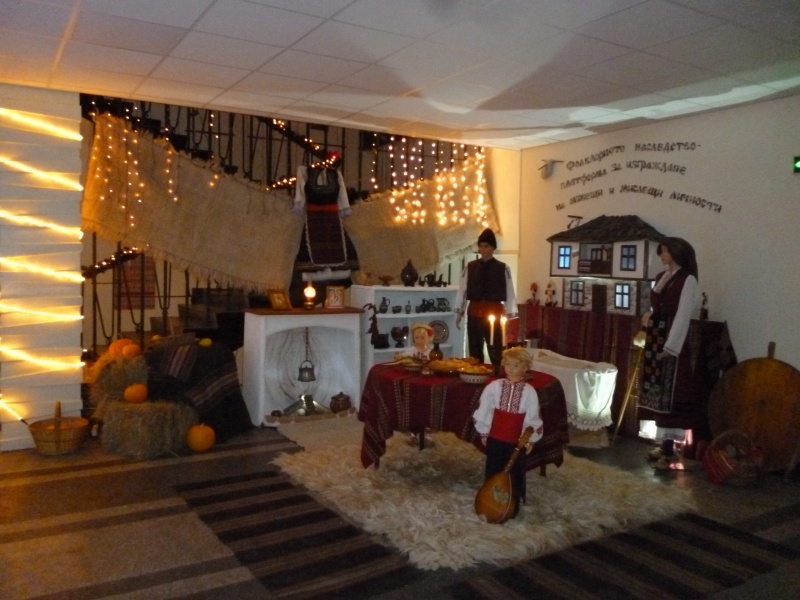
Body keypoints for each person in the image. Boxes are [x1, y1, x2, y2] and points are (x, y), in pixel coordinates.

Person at [637, 237, 702, 450]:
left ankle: (670, 449)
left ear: (676, 252)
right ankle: (661, 445)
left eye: (665, 251)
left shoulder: (687, 279)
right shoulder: (662, 277)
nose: (662, 255)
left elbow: (683, 315)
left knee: (673, 391)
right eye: (662, 251)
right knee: (655, 388)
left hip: (672, 340)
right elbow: (656, 306)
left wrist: (671, 346)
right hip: (656, 337)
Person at [473, 347, 543, 518]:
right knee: (493, 467)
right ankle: (489, 501)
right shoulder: (494, 387)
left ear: (525, 368)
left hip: (516, 441)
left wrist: (529, 439)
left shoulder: (529, 392)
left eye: (516, 365)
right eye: (508, 364)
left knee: (515, 471)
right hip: (496, 436)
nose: (511, 369)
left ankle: (512, 503)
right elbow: (485, 409)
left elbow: (533, 417)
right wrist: (484, 431)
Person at [455, 228, 517, 366]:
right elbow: (462, 291)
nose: (483, 249)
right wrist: (459, 312)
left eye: (486, 246)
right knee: (474, 352)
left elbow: (510, 291)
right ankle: (475, 374)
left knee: (496, 350)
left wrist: (510, 314)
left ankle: (498, 374)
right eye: (481, 246)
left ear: (493, 247)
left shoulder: (503, 268)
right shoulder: (470, 267)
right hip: (474, 313)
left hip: (494, 313)